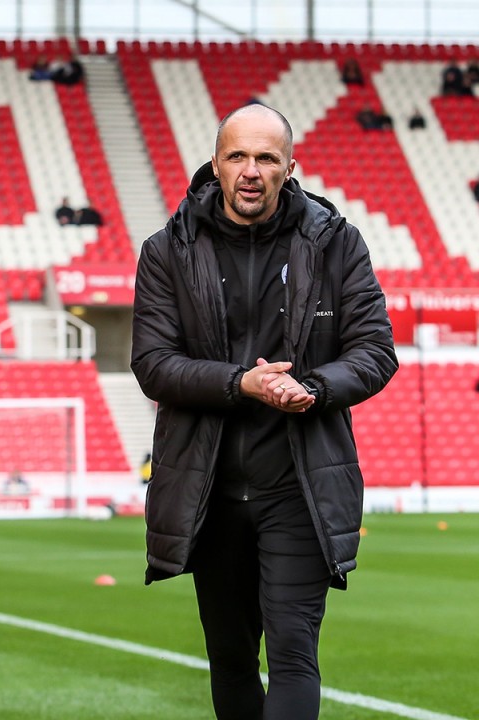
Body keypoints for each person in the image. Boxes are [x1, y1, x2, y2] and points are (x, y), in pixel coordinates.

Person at [131, 103, 398, 720]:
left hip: (299, 487)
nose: (251, 170)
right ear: (216, 164)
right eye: (238, 156)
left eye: (266, 158)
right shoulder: (167, 249)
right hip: (209, 491)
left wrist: (314, 388)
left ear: (290, 167)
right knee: (228, 657)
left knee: (293, 652)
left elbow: (375, 350)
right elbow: (153, 362)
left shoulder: (335, 242)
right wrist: (240, 383)